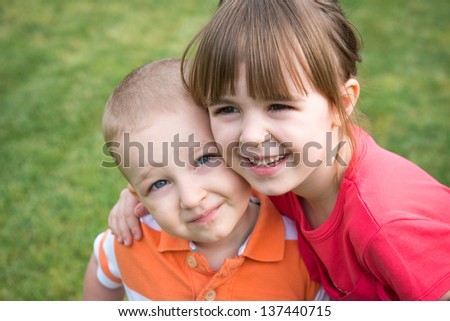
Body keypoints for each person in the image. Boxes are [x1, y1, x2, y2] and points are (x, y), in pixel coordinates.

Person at [108, 0, 450, 300]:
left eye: (278, 105)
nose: (252, 137)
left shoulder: (387, 226)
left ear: (340, 103)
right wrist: (138, 194)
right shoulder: (279, 168)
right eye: (227, 109)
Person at [82, 58, 322, 301]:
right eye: (159, 184)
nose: (190, 198)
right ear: (137, 196)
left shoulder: (302, 250)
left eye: (205, 159)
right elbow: (103, 270)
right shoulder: (131, 236)